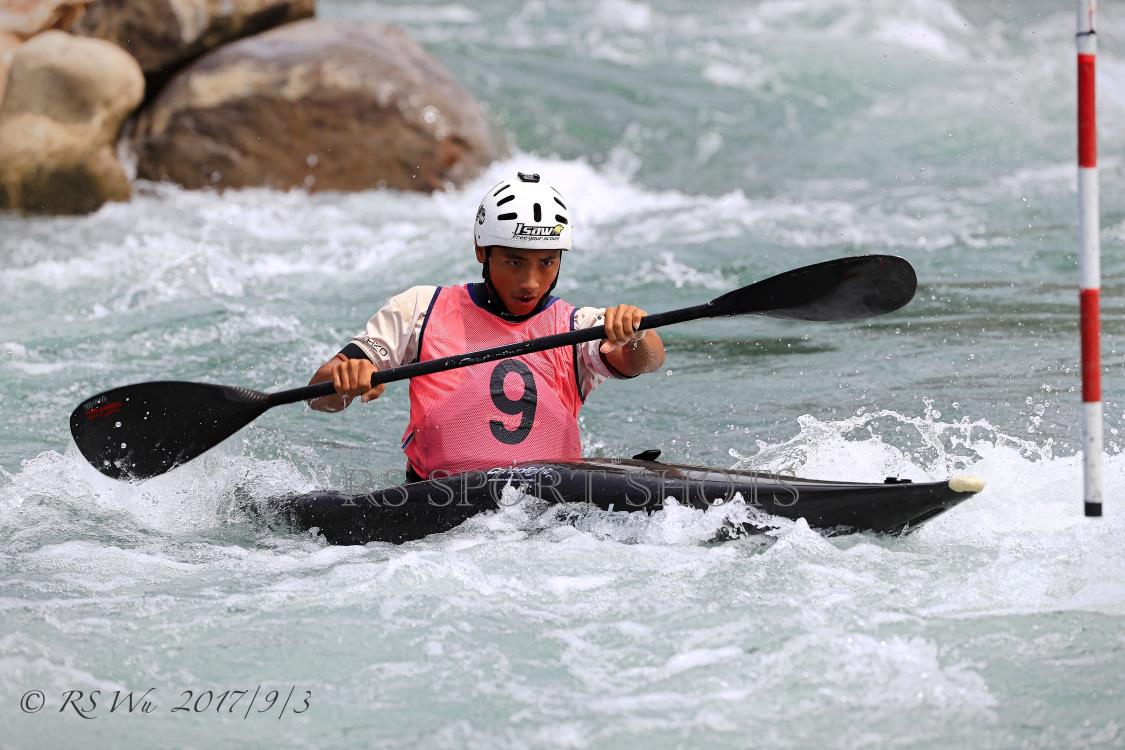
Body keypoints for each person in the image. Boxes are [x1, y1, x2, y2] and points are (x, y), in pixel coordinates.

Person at [308, 172, 665, 481]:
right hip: (436, 501)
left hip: (548, 511)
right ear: (482, 250)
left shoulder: (578, 326)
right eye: (514, 261)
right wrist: (346, 380)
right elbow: (318, 397)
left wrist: (637, 334)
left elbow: (646, 360)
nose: (530, 281)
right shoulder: (420, 309)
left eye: (546, 262)